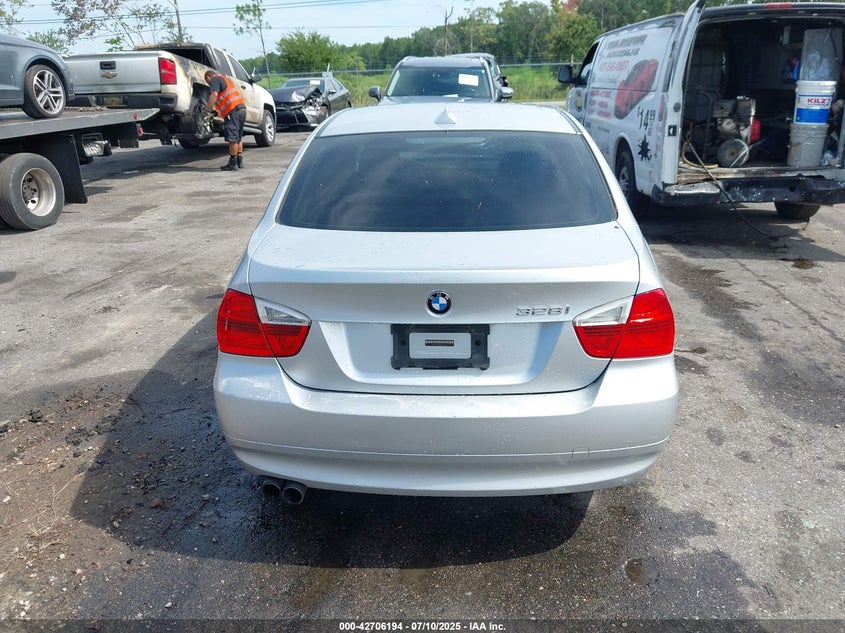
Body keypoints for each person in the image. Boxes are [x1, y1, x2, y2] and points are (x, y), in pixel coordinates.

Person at [204, 69, 246, 171]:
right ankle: (239, 161)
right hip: (241, 109)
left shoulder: (215, 79)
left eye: (207, 81)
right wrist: (216, 112)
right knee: (238, 137)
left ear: (208, 77)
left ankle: (233, 163)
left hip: (233, 111)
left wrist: (208, 108)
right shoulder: (225, 79)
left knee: (232, 138)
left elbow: (214, 94)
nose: (209, 84)